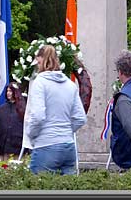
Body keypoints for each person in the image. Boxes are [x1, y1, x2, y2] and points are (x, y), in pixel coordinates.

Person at [26, 45, 87, 175]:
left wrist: (30, 134)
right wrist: (65, 131)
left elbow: (38, 116)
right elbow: (80, 118)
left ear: (40, 61)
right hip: (68, 146)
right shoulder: (70, 85)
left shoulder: (40, 83)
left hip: (46, 144)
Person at [0, 82, 26, 162]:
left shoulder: (24, 108)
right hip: (4, 147)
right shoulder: (2, 108)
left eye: (11, 91)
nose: (8, 93)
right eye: (7, 91)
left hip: (18, 147)